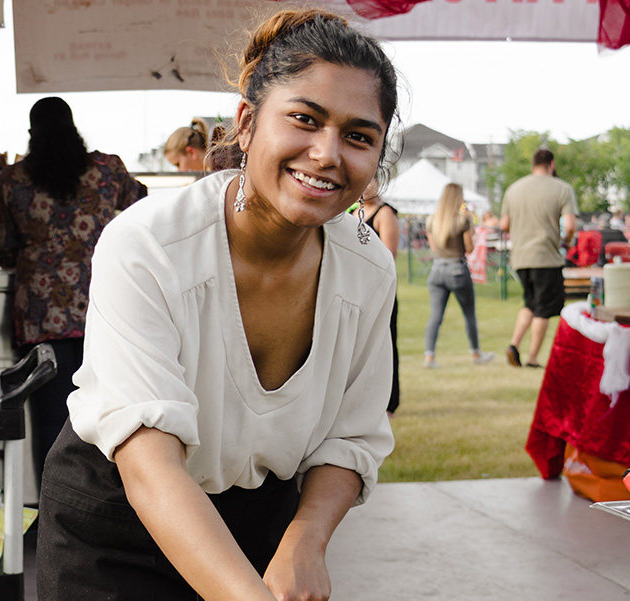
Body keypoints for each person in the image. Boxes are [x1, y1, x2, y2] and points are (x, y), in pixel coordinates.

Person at [37, 9, 397, 600]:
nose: (328, 154)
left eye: (359, 136)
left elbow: (352, 437)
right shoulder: (149, 244)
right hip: (117, 525)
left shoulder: (366, 270)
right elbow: (149, 463)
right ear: (248, 124)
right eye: (305, 119)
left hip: (262, 523)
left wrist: (305, 541)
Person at [0, 96, 147, 488]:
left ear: (31, 134)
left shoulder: (12, 181)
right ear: (74, 129)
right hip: (107, 311)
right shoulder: (108, 170)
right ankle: (105, 515)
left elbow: (2, 247)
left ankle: (55, 517)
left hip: (44, 318)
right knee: (110, 417)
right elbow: (141, 214)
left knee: (53, 423)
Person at [500, 148, 577, 368]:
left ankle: (514, 344)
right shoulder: (562, 188)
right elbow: (570, 225)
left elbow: (504, 224)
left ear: (533, 165)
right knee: (543, 309)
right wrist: (567, 241)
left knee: (530, 304)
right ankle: (532, 359)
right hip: (547, 257)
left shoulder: (513, 189)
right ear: (551, 164)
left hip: (521, 257)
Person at [423, 183, 495, 368]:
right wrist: (470, 229)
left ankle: (429, 356)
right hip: (457, 270)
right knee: (469, 314)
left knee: (435, 316)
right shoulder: (462, 220)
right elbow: (469, 249)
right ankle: (475, 353)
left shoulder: (432, 220)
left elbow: (433, 247)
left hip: (437, 269)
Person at [360, 176, 400, 414]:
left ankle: (389, 402)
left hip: (378, 290)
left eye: (370, 182)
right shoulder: (354, 213)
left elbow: (388, 257)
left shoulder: (385, 214)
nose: (365, 187)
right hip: (357, 291)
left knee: (385, 346)